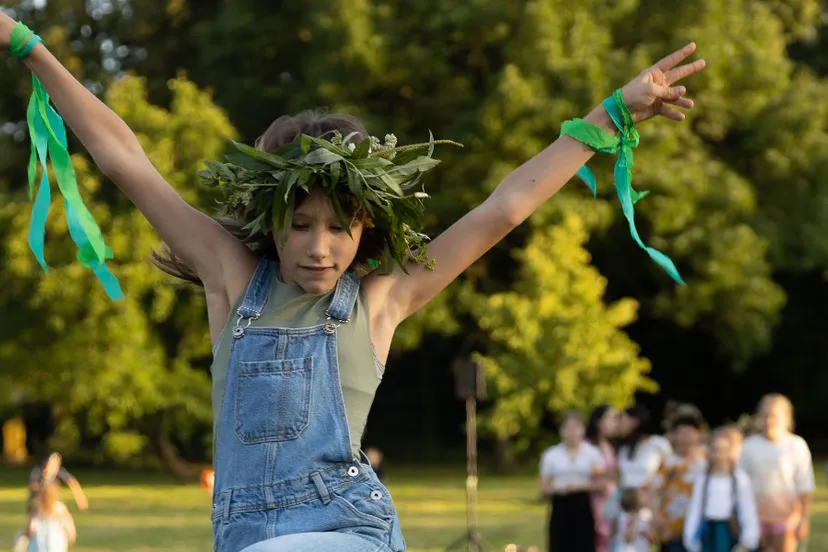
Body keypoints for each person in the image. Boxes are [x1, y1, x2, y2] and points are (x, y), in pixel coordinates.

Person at [0, 12, 705, 551]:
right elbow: (124, 159)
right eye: (301, 223)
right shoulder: (230, 279)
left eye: (340, 227)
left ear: (367, 229)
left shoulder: (378, 300)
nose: (319, 247)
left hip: (348, 530)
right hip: (246, 536)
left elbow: (503, 208)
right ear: (271, 220)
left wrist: (607, 116)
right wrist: (25, 42)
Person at [739, 394, 814, 552]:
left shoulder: (796, 445)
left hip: (787, 520)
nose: (768, 421)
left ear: (786, 418)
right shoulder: (749, 446)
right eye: (765, 415)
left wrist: (803, 520)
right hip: (755, 519)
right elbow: (740, 484)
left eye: (773, 416)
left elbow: (805, 486)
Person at [539, 411, 605, 552]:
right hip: (560, 505)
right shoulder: (551, 455)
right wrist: (557, 489)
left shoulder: (592, 454)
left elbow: (601, 484)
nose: (571, 433)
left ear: (582, 429)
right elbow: (544, 487)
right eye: (567, 428)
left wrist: (580, 487)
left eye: (575, 428)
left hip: (583, 505)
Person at [683, 429, 759, 552]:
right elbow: (695, 509)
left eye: (724, 451)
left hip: (729, 531)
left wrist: (748, 541)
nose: (719, 455)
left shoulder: (739, 479)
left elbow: (747, 510)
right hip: (708, 532)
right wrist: (691, 540)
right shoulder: (703, 479)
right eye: (715, 450)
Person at [654, 410, 707, 552]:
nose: (685, 438)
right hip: (671, 530)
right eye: (681, 433)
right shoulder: (667, 462)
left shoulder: (706, 461)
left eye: (690, 433)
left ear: (698, 434)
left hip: (699, 528)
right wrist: (657, 517)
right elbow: (655, 491)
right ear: (674, 435)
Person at [585, 404, 620, 552]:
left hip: (610, 502)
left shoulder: (610, 445)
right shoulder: (586, 446)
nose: (615, 423)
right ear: (598, 421)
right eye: (611, 418)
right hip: (593, 501)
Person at [24, 482, 77, 552]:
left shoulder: (37, 508)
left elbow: (30, 528)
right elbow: (69, 526)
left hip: (39, 543)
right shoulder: (59, 508)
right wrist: (70, 537)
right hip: (56, 542)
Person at [613, 488, 654, 552]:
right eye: (640, 496)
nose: (643, 498)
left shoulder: (638, 515)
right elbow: (627, 537)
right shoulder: (628, 517)